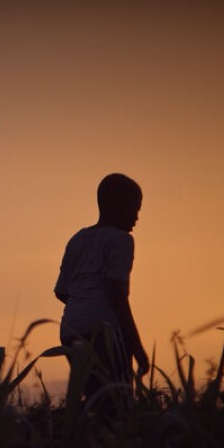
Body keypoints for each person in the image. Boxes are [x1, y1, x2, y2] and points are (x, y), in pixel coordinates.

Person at [54, 173, 150, 409]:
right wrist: (137, 348)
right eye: (134, 208)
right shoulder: (121, 240)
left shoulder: (78, 239)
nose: (137, 217)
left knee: (95, 400)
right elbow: (116, 295)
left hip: (71, 330)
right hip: (105, 333)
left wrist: (84, 306)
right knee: (119, 404)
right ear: (116, 206)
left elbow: (62, 291)